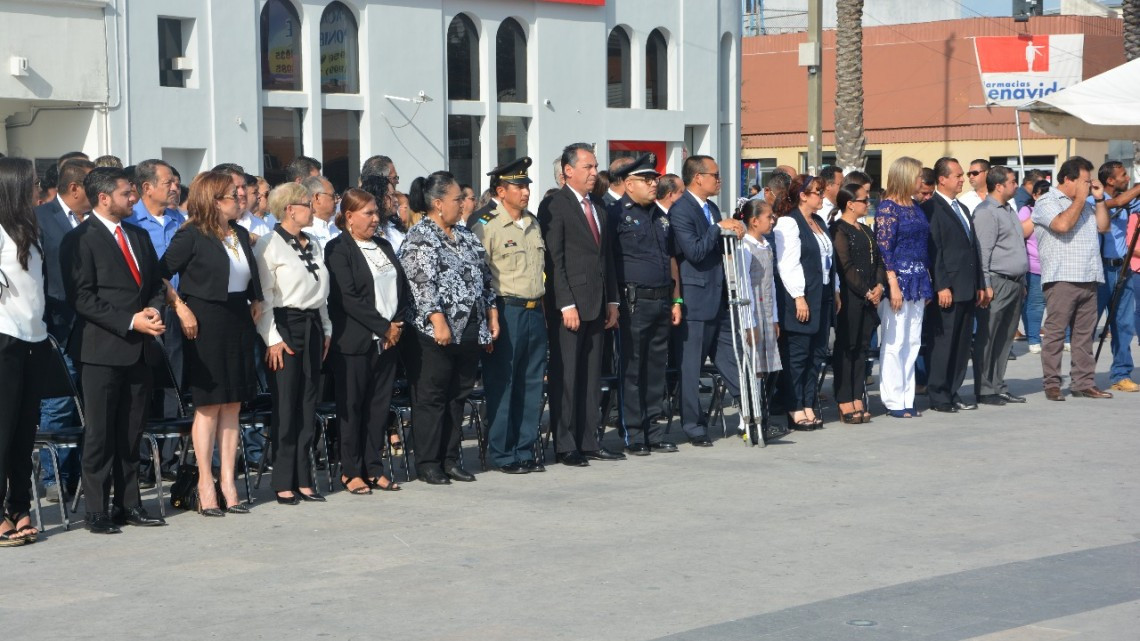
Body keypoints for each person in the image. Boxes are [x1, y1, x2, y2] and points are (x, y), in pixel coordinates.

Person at [61, 167, 168, 533]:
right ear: (104, 197)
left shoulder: (137, 235)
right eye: (127, 193)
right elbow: (83, 298)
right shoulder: (80, 240)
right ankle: (95, 510)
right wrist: (129, 321)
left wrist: (154, 309)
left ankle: (129, 504)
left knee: (131, 432)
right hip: (101, 350)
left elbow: (155, 283)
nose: (134, 198)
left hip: (139, 349)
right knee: (101, 433)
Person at [160, 171, 262, 515]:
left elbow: (250, 277)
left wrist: (257, 299)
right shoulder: (191, 235)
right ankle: (205, 482)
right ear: (214, 200)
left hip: (237, 320)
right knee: (209, 405)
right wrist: (180, 307)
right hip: (203, 321)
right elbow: (159, 273)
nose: (239, 199)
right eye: (233, 195)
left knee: (233, 403)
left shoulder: (241, 233)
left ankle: (228, 481)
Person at [399, 171, 497, 484]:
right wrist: (437, 320)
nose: (463, 204)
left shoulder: (465, 234)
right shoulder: (420, 237)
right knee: (432, 397)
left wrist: (491, 312)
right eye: (458, 199)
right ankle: (429, 463)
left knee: (458, 395)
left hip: (468, 327)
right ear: (439, 203)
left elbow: (484, 274)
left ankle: (451, 458)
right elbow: (420, 283)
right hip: (433, 334)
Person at [538, 144, 624, 465]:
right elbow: (554, 260)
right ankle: (565, 444)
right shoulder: (555, 205)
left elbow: (607, 259)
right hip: (570, 307)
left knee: (591, 378)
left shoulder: (599, 206)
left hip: (598, 303)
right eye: (587, 167)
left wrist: (612, 300)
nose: (593, 173)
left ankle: (590, 439)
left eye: (595, 166)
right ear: (568, 170)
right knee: (567, 377)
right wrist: (564, 304)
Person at [325, 188, 409, 494]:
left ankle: (374, 466)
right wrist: (383, 326)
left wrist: (396, 324)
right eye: (368, 213)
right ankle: (351, 470)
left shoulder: (383, 246)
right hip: (355, 342)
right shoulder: (338, 249)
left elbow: (401, 286)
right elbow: (348, 298)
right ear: (349, 216)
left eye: (376, 213)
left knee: (378, 406)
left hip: (388, 340)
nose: (375, 219)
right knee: (353, 407)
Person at [254, 182, 332, 504]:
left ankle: (304, 477)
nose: (312, 208)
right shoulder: (269, 245)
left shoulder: (313, 242)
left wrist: (326, 328)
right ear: (290, 209)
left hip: (313, 324)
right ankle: (283, 480)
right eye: (307, 204)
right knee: (286, 405)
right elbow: (264, 300)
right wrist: (272, 339)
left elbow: (321, 292)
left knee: (308, 403)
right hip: (284, 326)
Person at [472, 157, 549, 472]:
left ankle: (525, 447)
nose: (525, 192)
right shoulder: (485, 223)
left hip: (534, 310)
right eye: (518, 186)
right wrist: (487, 319)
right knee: (503, 382)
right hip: (504, 311)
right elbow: (479, 276)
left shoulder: (532, 222)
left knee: (531, 382)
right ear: (500, 191)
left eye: (526, 186)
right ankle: (503, 453)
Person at [606, 153, 681, 455]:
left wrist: (676, 298)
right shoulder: (615, 214)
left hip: (662, 300)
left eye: (655, 179)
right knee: (633, 371)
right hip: (633, 303)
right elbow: (608, 262)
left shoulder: (661, 216)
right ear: (628, 183)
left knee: (655, 370)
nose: (654, 184)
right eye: (647, 180)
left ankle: (653, 431)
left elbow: (670, 258)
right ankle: (634, 435)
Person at [670, 155, 745, 446]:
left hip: (720, 295)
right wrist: (718, 229)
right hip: (695, 297)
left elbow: (716, 249)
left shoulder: (711, 207)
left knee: (730, 357)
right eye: (714, 175)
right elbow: (694, 251)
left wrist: (733, 233)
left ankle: (750, 409)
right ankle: (694, 425)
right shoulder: (681, 210)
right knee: (691, 367)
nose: (719, 180)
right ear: (698, 178)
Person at [34, 157, 94, 503]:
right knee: (57, 406)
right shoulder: (41, 219)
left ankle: (81, 477)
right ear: (74, 189)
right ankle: (55, 477)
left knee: (87, 406)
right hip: (56, 329)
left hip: (92, 330)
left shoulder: (94, 222)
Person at [1032, 156, 1112, 401]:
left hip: (1089, 276)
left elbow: (1104, 226)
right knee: (1056, 334)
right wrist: (1080, 198)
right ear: (1068, 179)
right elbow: (1062, 225)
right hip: (1062, 277)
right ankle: (1052, 384)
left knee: (1084, 335)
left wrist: (1098, 200)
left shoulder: (1086, 203)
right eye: (1085, 181)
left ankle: (1083, 382)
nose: (1089, 185)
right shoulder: (1047, 201)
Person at [0, 157, 49, 546]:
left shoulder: (31, 231)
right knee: (2, 432)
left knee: (22, 434)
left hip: (33, 339)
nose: (39, 188)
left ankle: (19, 506)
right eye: (33, 183)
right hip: (4, 339)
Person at [921, 157, 986, 413]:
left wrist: (980, 283)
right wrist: (941, 285)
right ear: (942, 179)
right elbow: (934, 251)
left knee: (961, 345)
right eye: (957, 175)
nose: (962, 179)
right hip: (948, 288)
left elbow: (973, 249)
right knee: (943, 344)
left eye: (962, 175)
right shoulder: (931, 208)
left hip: (968, 287)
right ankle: (938, 395)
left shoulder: (963, 208)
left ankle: (953, 390)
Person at [773, 174, 835, 429]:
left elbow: (829, 260)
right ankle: (794, 406)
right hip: (801, 297)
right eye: (817, 191)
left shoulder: (819, 221)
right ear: (802, 195)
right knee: (797, 356)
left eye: (822, 191)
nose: (822, 196)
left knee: (817, 354)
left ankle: (808, 403)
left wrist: (836, 291)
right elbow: (787, 264)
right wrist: (799, 296)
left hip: (823, 296)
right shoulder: (788, 223)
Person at [875, 157, 932, 418]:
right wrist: (893, 284)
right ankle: (893, 399)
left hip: (919, 279)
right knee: (894, 340)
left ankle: (907, 396)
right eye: (918, 176)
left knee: (913, 340)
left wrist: (926, 281)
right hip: (898, 281)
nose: (922, 181)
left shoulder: (915, 206)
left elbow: (923, 247)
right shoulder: (888, 208)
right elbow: (884, 249)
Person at [971, 166, 1029, 406]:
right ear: (999, 185)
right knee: (989, 336)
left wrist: (1022, 281)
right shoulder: (986, 212)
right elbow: (982, 252)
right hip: (997, 281)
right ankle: (985, 389)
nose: (1017, 185)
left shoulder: (1008, 209)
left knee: (1005, 338)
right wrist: (985, 284)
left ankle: (997, 384)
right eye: (1013, 181)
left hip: (1015, 283)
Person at [830, 183, 885, 423]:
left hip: (870, 295)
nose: (868, 203)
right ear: (850, 204)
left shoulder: (865, 229)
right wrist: (865, 291)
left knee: (862, 348)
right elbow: (845, 265)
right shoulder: (838, 229)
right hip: (851, 297)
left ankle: (857, 394)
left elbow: (879, 260)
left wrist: (880, 286)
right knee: (847, 347)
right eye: (864, 200)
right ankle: (844, 399)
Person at [1094, 161, 1140, 392]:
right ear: (1110, 180)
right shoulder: (1098, 200)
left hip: (1123, 269)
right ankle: (1082, 374)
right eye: (1122, 175)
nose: (1127, 177)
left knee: (1123, 324)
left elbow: (1128, 202)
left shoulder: (1128, 200)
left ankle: (1121, 374)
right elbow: (1118, 202)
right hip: (1100, 271)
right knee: (1089, 324)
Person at [737, 199, 782, 393]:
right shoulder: (745, 246)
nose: (772, 221)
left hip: (766, 312)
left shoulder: (766, 245)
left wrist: (775, 318)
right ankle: (748, 415)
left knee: (764, 367)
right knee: (753, 364)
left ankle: (762, 414)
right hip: (752, 313)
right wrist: (749, 323)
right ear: (754, 221)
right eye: (768, 217)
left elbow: (770, 283)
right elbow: (744, 285)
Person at [1018, 180, 1050, 355]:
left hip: (1053, 266)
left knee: (1057, 305)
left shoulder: (1056, 211)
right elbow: (1020, 233)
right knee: (1035, 304)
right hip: (1034, 267)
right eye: (1041, 194)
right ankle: (1034, 339)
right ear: (1034, 195)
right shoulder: (1027, 211)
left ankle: (1066, 338)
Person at [300, 175, 340, 249]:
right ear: (317, 197)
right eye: (332, 196)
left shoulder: (336, 229)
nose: (336, 201)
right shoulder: (305, 232)